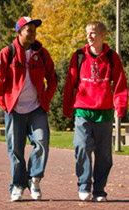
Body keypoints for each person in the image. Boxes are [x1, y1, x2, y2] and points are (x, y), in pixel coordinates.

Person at [0, 16, 57, 202]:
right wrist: (5, 104)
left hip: (37, 108)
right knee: (16, 150)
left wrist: (46, 98)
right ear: (19, 32)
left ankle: (34, 180)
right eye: (29, 29)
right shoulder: (7, 53)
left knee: (42, 142)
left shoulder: (42, 53)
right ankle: (18, 186)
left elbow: (53, 78)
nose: (33, 32)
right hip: (15, 109)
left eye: (35, 29)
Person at [63, 21, 128, 202]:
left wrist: (120, 106)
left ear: (102, 35)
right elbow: (70, 84)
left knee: (104, 155)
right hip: (83, 111)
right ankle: (84, 185)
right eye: (87, 32)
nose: (89, 36)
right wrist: (68, 108)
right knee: (81, 146)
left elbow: (120, 84)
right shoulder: (78, 56)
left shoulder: (112, 58)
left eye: (93, 33)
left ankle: (99, 190)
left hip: (104, 113)